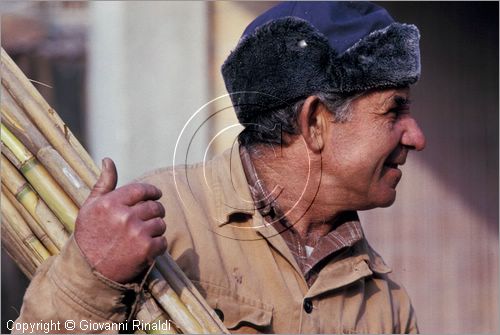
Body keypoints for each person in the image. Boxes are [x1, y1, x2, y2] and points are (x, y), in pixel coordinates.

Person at [14, 1, 426, 333]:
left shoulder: (385, 306)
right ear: (315, 121)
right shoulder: (160, 224)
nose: (415, 137)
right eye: (394, 111)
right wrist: (94, 276)